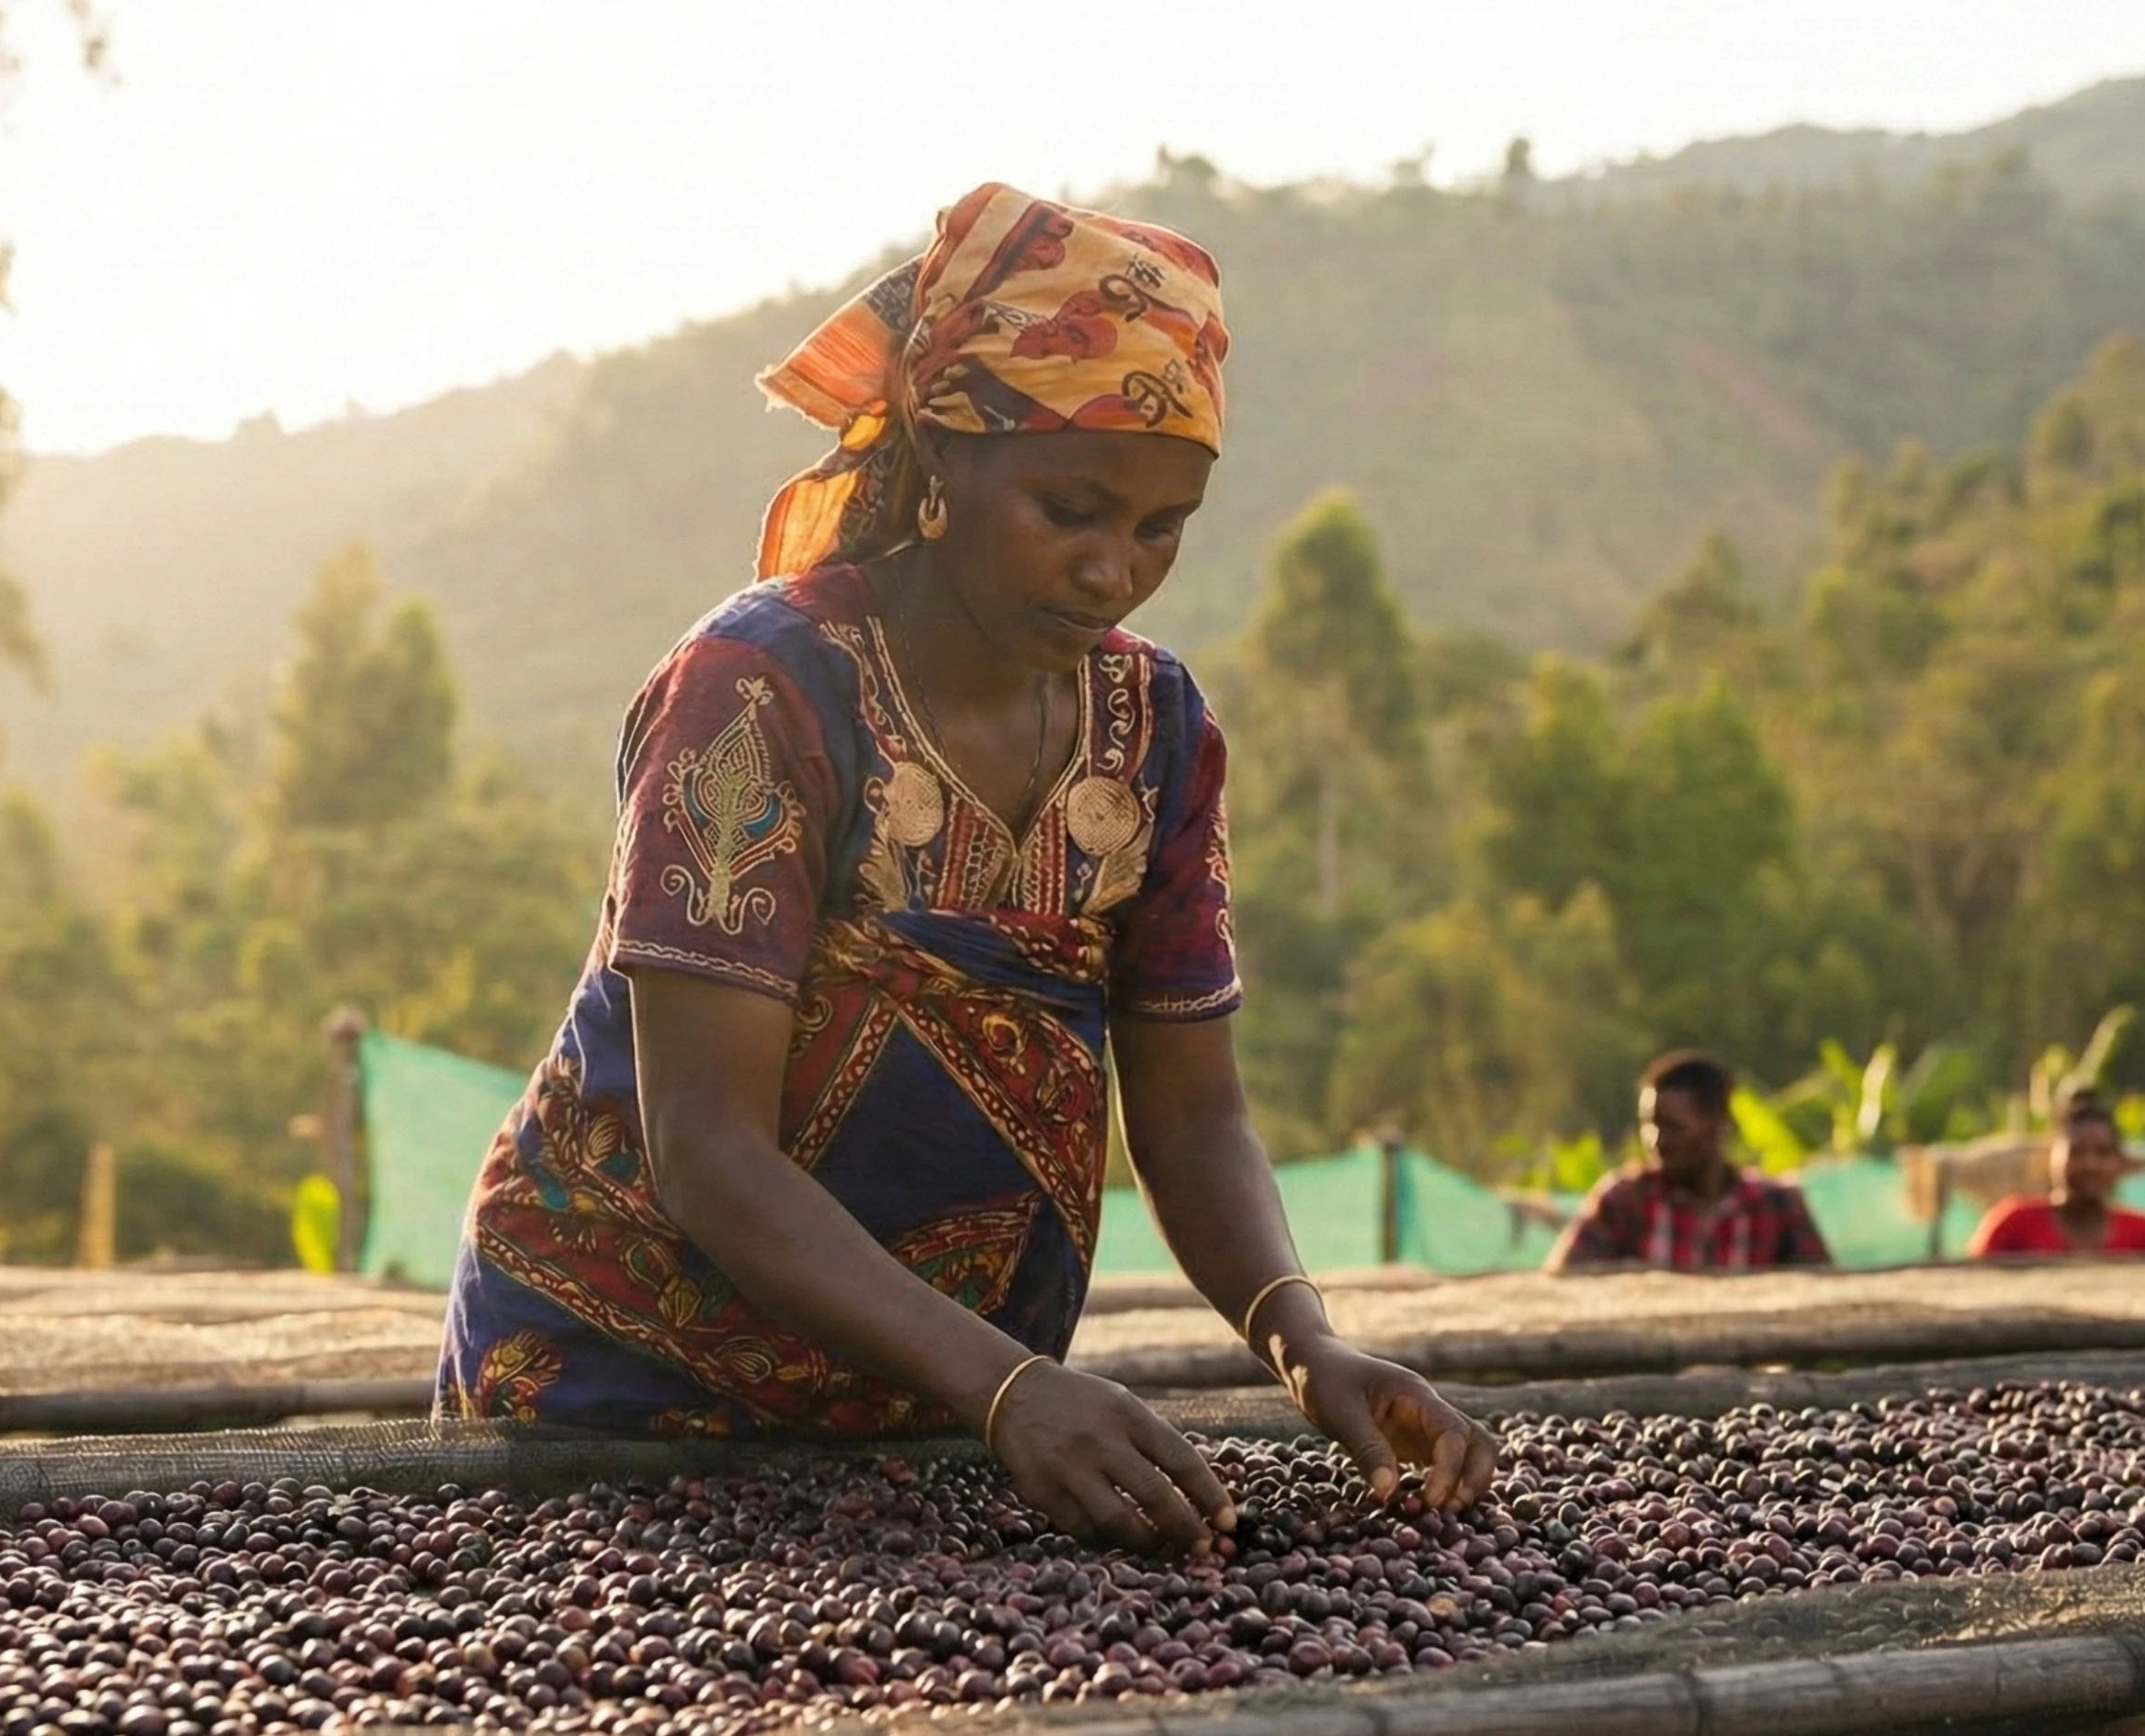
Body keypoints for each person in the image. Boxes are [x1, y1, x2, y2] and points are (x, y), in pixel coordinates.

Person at [433, 183, 1496, 1555]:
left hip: (945, 1412)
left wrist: (1303, 1343)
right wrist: (1003, 1384)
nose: (1117, 567)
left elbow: (1191, 1114)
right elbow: (706, 1149)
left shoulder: (1158, 733)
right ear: (941, 463)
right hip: (625, 1386)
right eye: (1072, 508)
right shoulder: (758, 695)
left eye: (1163, 525)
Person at [1547, 1052, 1832, 1274]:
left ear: (1718, 1125)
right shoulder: (1624, 1201)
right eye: (1650, 1126)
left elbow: (1822, 1298)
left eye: (1673, 1127)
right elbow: (1564, 1287)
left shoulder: (1776, 1205)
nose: (1656, 1141)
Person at [1966, 1089, 2145, 1259]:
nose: (2090, 1164)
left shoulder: (2144, 1233)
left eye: (2103, 1153)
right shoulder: (2013, 1223)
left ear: (2119, 1162)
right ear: (2052, 1156)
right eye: (2076, 1152)